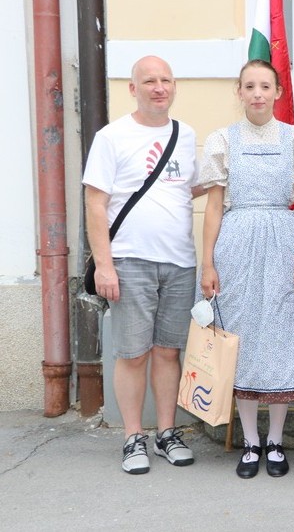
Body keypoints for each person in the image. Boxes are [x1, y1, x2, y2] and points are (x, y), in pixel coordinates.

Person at [198, 60, 294, 480]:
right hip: (236, 245)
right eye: (249, 86)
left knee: (282, 337)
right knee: (244, 338)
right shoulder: (222, 140)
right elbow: (214, 205)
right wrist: (209, 261)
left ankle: (276, 439)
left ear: (277, 92)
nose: (257, 93)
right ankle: (250, 441)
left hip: (285, 242)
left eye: (265, 86)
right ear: (239, 92)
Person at [83, 55, 201, 474]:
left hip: (180, 261)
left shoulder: (185, 135)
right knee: (133, 354)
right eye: (148, 80)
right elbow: (95, 203)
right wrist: (104, 265)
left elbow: (194, 185)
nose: (159, 87)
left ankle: (166, 433)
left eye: (166, 79)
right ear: (133, 88)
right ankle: (133, 437)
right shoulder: (112, 137)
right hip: (129, 259)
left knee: (168, 352)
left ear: (174, 86)